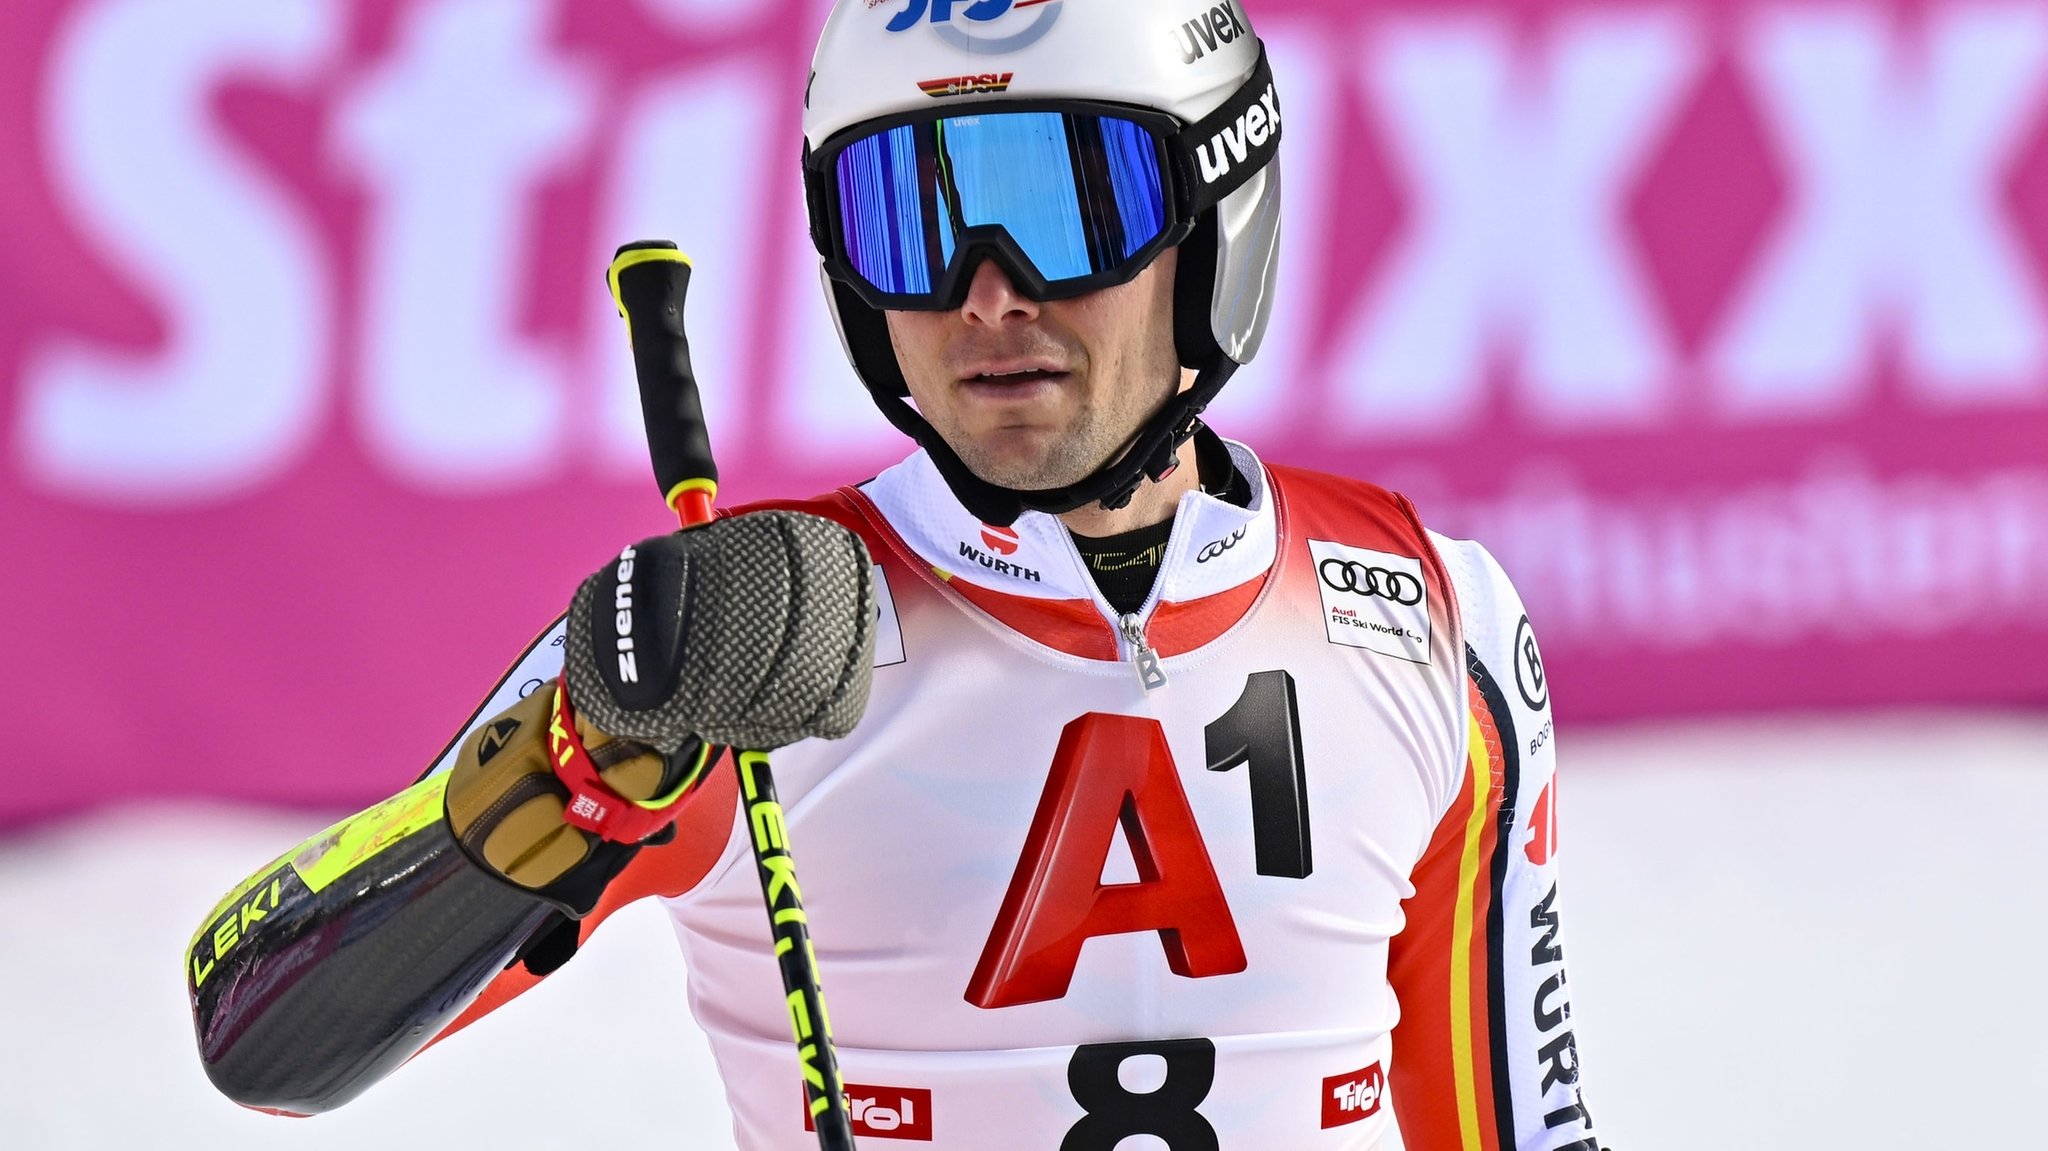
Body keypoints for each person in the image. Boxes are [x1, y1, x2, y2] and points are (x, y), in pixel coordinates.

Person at [186, 1, 1606, 1147]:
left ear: (1212, 218)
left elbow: (1520, 1126)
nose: (988, 291)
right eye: (906, 216)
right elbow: (256, 1031)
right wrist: (583, 767)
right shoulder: (745, 628)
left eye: (1067, 202)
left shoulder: (1429, 614)